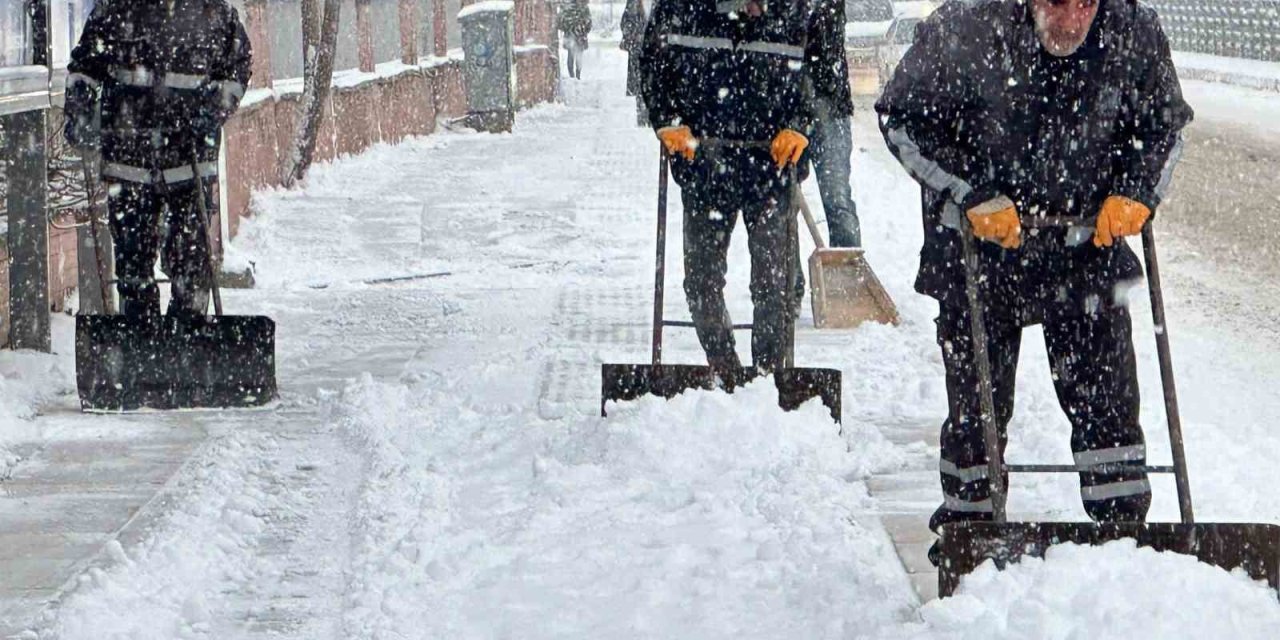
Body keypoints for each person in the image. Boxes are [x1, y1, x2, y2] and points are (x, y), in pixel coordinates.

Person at [875, 0, 1192, 563]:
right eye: (1055, 3)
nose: (1070, 21)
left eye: (1085, 4)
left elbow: (1164, 123)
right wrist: (969, 194)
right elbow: (901, 119)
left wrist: (1138, 190)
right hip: (979, 252)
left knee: (1109, 404)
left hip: (1084, 248)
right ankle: (967, 535)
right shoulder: (964, 26)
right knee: (979, 408)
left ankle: (1123, 542)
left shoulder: (1131, 29)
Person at [640, 0, 849, 380]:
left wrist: (801, 125)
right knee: (701, 282)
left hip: (772, 169)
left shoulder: (799, 9)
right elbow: (654, 63)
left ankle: (769, 379)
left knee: (775, 287)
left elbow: (824, 74)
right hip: (703, 167)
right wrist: (666, 119)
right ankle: (727, 372)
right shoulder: (679, 7)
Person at [64, 0, 252, 319]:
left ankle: (188, 339)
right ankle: (139, 342)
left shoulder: (215, 14)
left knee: (191, 266)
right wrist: (80, 112)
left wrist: (212, 109)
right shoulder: (114, 12)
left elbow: (237, 68)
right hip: (128, 163)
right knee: (133, 267)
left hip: (190, 163)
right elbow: (83, 68)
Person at [620, 0, 648, 125]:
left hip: (651, 48)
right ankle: (642, 115)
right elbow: (625, 22)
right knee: (640, 82)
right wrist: (632, 34)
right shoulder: (633, 4)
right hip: (638, 47)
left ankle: (647, 114)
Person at [558, 0, 593, 80]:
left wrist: (583, 28)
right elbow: (561, 22)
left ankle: (576, 75)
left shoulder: (581, 7)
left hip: (578, 36)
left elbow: (589, 22)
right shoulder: (581, 7)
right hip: (575, 35)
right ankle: (574, 75)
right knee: (572, 56)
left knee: (576, 56)